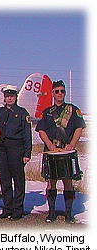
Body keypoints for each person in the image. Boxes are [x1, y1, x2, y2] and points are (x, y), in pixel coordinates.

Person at [36, 80, 86, 224]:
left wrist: (72, 144)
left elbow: (79, 128)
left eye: (62, 91)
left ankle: (68, 214)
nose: (60, 94)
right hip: (52, 151)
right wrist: (49, 144)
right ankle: (51, 213)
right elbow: (41, 130)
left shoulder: (73, 110)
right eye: (57, 91)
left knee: (67, 182)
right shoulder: (47, 112)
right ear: (52, 93)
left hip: (66, 151)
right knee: (51, 182)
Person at [0, 85, 32, 221]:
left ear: (16, 97)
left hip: (16, 148)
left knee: (18, 179)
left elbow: (28, 135)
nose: (9, 98)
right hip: (1, 148)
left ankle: (17, 209)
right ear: (4, 97)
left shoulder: (22, 113)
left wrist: (27, 153)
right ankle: (8, 207)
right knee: (5, 180)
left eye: (12, 96)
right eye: (7, 96)